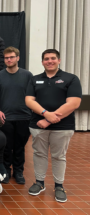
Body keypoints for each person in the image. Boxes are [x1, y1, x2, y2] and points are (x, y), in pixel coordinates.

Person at [25, 49, 81, 203]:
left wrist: (49, 119)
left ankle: (59, 186)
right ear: (42, 61)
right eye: (46, 59)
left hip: (63, 127)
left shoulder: (71, 78)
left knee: (59, 156)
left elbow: (74, 103)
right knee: (39, 154)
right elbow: (29, 100)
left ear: (59, 60)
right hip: (38, 125)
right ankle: (39, 183)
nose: (49, 61)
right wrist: (45, 113)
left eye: (53, 58)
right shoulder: (35, 79)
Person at [0, 46, 33, 184]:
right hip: (5, 119)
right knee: (6, 146)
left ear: (18, 58)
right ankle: (5, 170)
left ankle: (18, 171)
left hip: (24, 117)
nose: (9, 60)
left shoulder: (27, 75)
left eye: (11, 57)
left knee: (19, 147)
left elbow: (33, 95)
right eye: (6, 58)